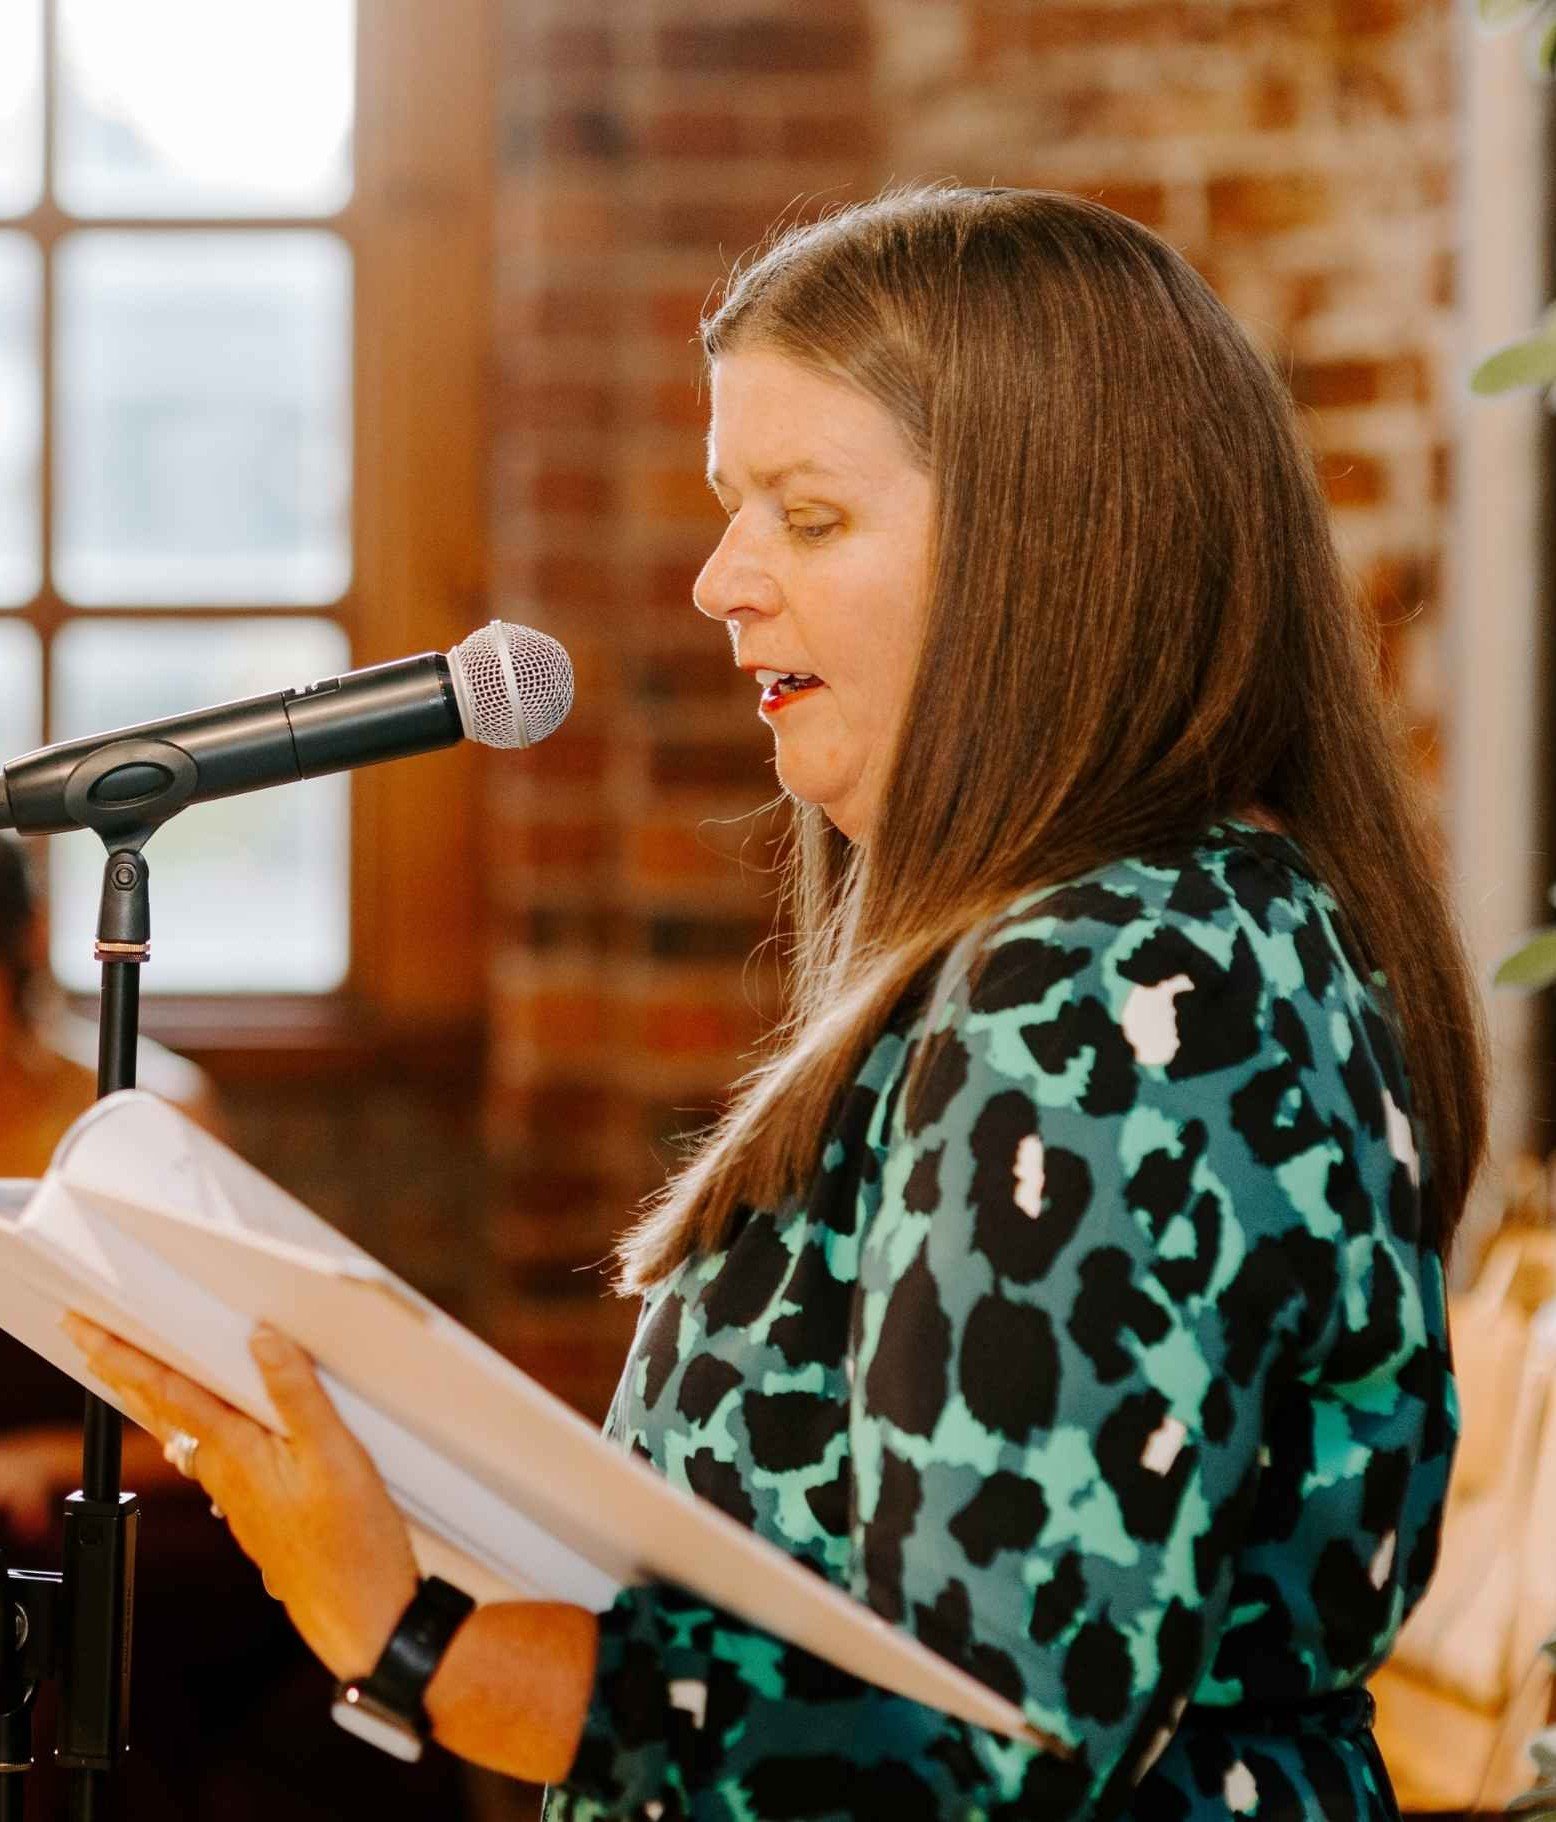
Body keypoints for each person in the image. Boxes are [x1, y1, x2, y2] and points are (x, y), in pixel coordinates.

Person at [67, 186, 1489, 1821]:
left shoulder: (1105, 986)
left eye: (806, 516)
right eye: (730, 506)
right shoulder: (1179, 924)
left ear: (1048, 555)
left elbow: (990, 1758)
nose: (719, 580)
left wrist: (407, 1633)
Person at [0, 836, 471, 1820]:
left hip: (153, 1501)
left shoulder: (150, 1112)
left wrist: (51, 1459)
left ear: (26, 939)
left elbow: (261, 1400)